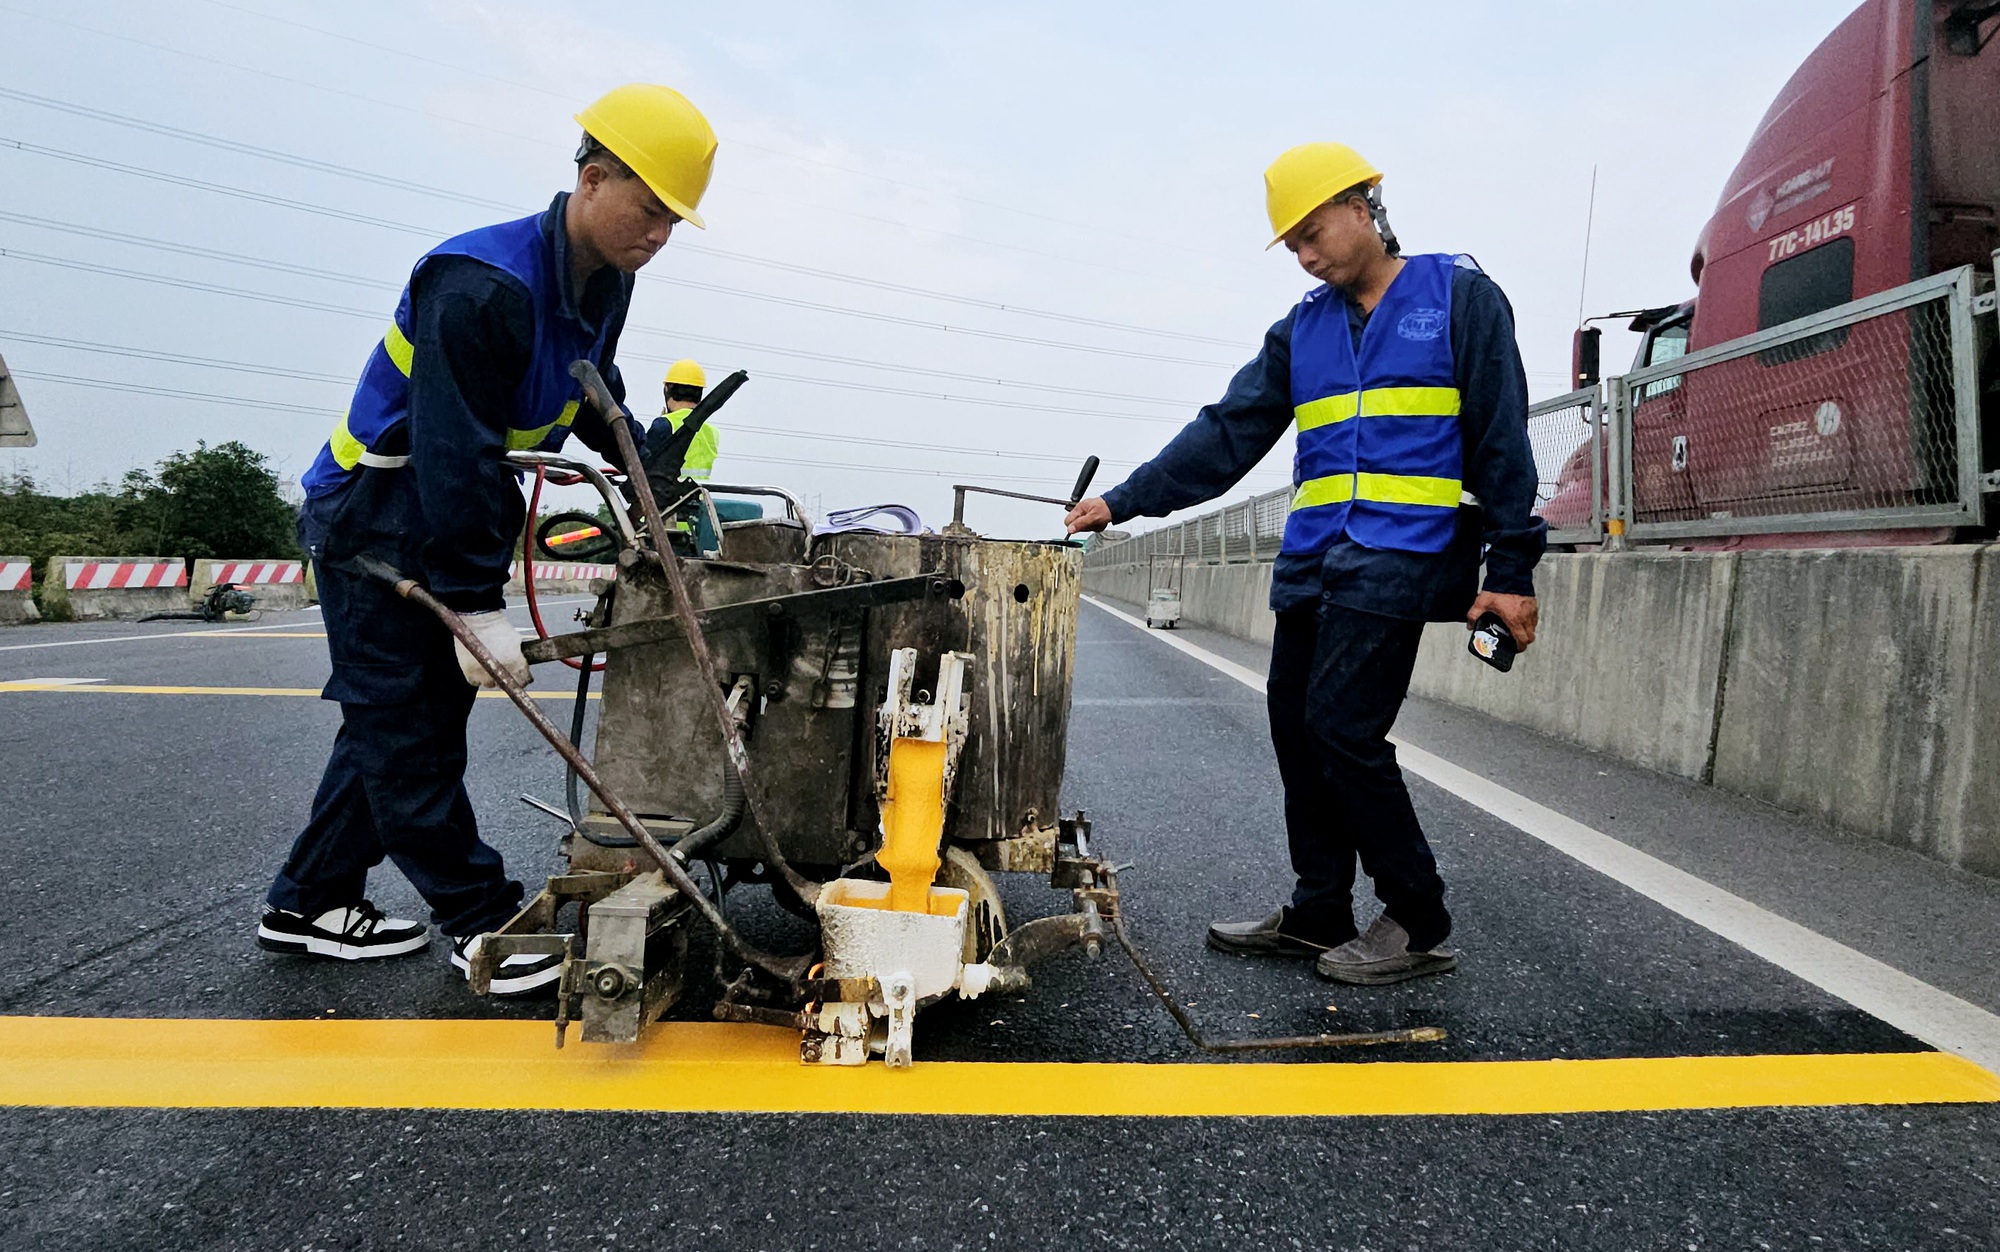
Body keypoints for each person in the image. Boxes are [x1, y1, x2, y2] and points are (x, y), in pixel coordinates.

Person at [258, 84, 719, 995]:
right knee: (408, 732)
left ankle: (307, 902)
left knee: (399, 721)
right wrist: (476, 602)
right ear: (593, 179)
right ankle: (483, 923)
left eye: (675, 219)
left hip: (439, 503)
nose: (661, 233)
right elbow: (453, 453)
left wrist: (635, 454)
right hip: (375, 512)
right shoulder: (479, 285)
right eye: (650, 208)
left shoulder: (606, 278)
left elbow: (587, 381)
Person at [1065, 143, 1544, 986]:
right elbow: (1228, 432)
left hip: (1403, 554)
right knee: (1297, 728)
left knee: (1342, 730)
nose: (1306, 256)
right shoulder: (1303, 328)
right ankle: (1320, 909)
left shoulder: (1459, 298)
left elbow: (1501, 436)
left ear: (1363, 209)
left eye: (1312, 235)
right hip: (1314, 558)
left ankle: (1418, 917)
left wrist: (1510, 569)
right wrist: (1126, 499)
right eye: (1292, 246)